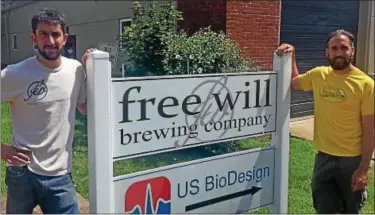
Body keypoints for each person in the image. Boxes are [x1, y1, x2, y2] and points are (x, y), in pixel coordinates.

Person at [1, 8, 90, 214]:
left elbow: (84, 108)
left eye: (55, 34)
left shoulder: (75, 70)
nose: (50, 41)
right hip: (22, 173)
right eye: (43, 34)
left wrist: (94, 68)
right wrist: (2, 150)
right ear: (34, 37)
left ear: (65, 38)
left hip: (60, 174)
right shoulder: (16, 74)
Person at [275, 29, 374, 214]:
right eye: (334, 48)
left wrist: (363, 169)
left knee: (350, 210)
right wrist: (292, 54)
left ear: (352, 51)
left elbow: (370, 131)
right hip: (324, 158)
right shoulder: (319, 75)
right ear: (327, 52)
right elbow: (295, 82)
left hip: (351, 161)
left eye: (344, 48)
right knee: (324, 208)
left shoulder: (366, 84)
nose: (339, 52)